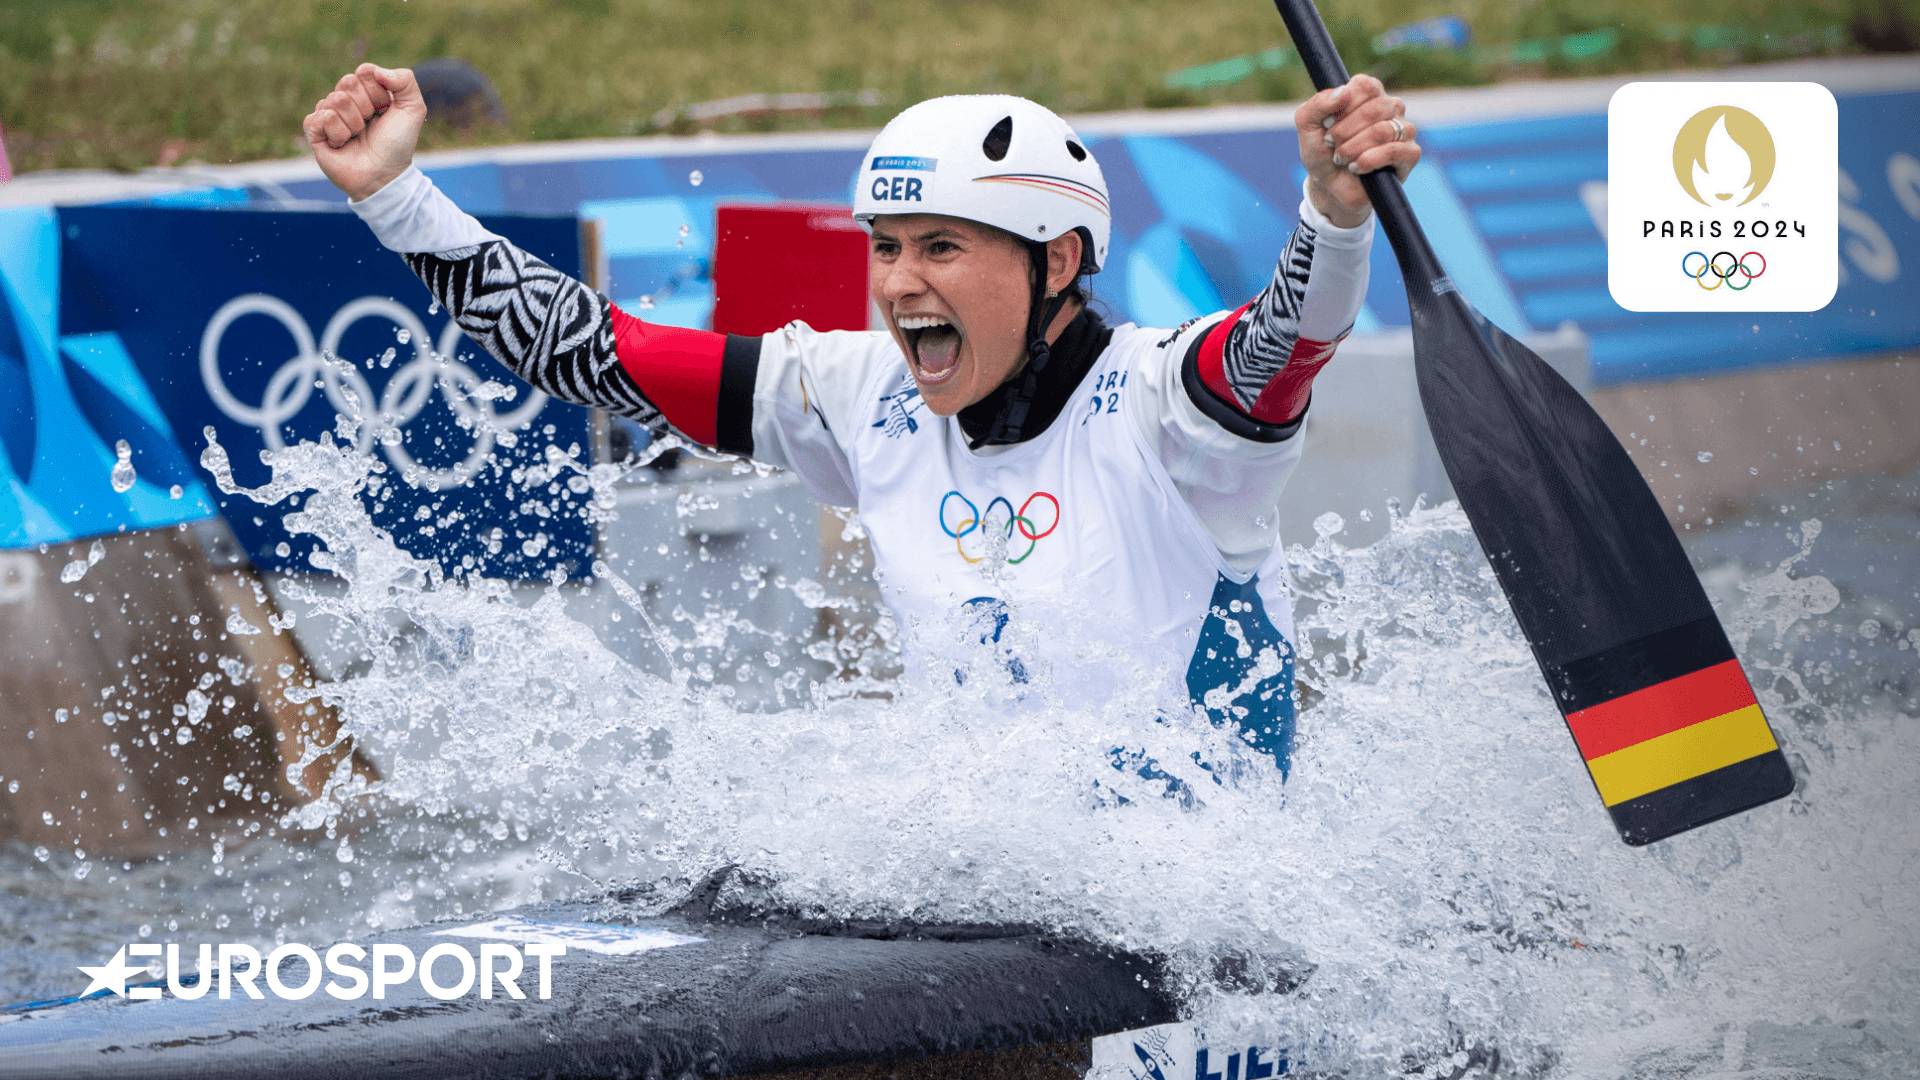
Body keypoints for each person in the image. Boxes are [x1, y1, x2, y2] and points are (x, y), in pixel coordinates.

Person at [302, 64, 1421, 781]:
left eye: (941, 248)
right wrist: (395, 196)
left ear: (1060, 262)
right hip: (1009, 894)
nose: (897, 286)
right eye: (885, 248)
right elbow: (602, 354)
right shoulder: (856, 395)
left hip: (1216, 940)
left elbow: (1283, 344)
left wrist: (1331, 218)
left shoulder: (1171, 406)